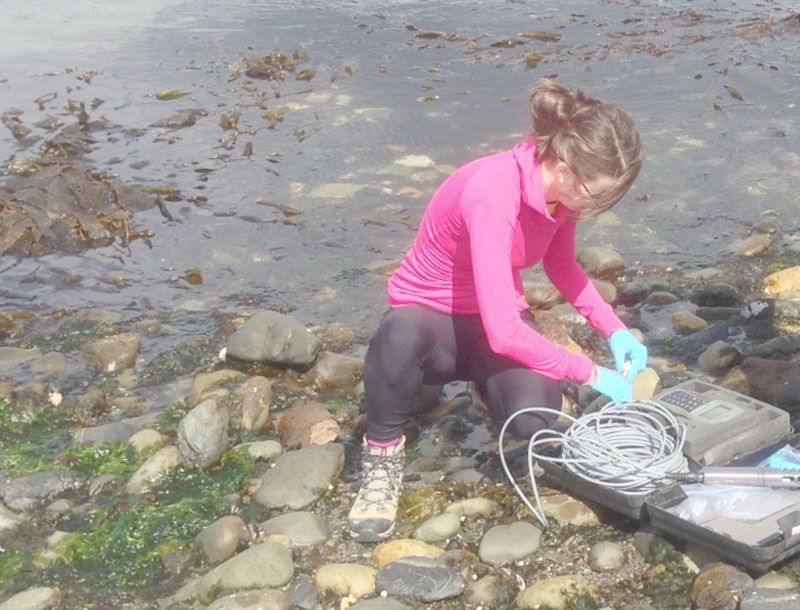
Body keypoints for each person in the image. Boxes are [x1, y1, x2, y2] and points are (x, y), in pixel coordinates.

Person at [348, 78, 648, 542]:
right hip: (431, 323)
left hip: (493, 322)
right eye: (598, 195)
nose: (597, 207)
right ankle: (382, 457)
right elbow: (508, 334)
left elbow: (561, 265)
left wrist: (613, 328)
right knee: (399, 335)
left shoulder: (560, 197)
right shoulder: (494, 190)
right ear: (567, 169)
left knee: (533, 423)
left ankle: (486, 388)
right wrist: (587, 372)